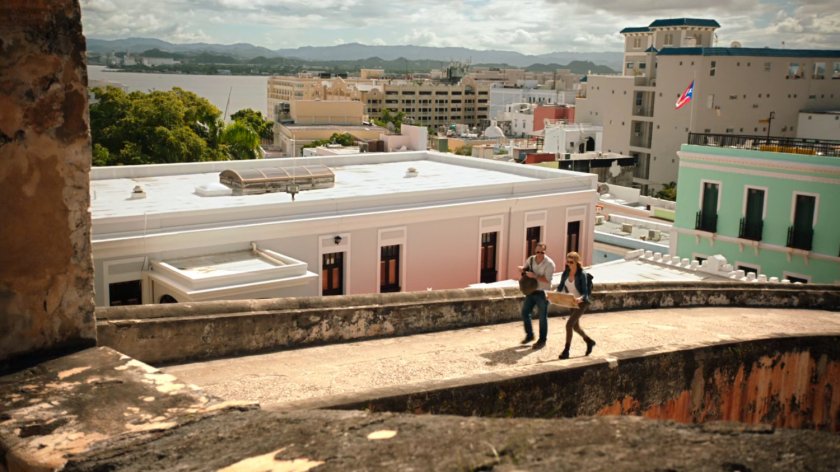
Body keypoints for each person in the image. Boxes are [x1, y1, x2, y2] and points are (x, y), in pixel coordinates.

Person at [556, 251, 596, 359]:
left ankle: (566, 351)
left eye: (571, 262)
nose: (569, 264)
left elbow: (585, 293)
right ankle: (589, 341)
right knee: (576, 326)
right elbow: (560, 287)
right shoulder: (566, 272)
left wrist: (580, 298)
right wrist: (552, 294)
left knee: (569, 325)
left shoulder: (581, 274)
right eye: (567, 262)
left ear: (576, 262)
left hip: (581, 303)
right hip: (571, 302)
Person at [517, 242, 555, 350]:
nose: (539, 254)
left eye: (542, 252)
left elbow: (548, 280)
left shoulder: (549, 264)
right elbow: (525, 270)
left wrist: (535, 276)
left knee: (542, 317)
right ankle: (530, 335)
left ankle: (542, 340)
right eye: (537, 252)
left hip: (543, 292)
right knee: (525, 312)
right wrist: (522, 270)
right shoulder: (531, 259)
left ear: (545, 251)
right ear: (535, 251)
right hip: (531, 291)